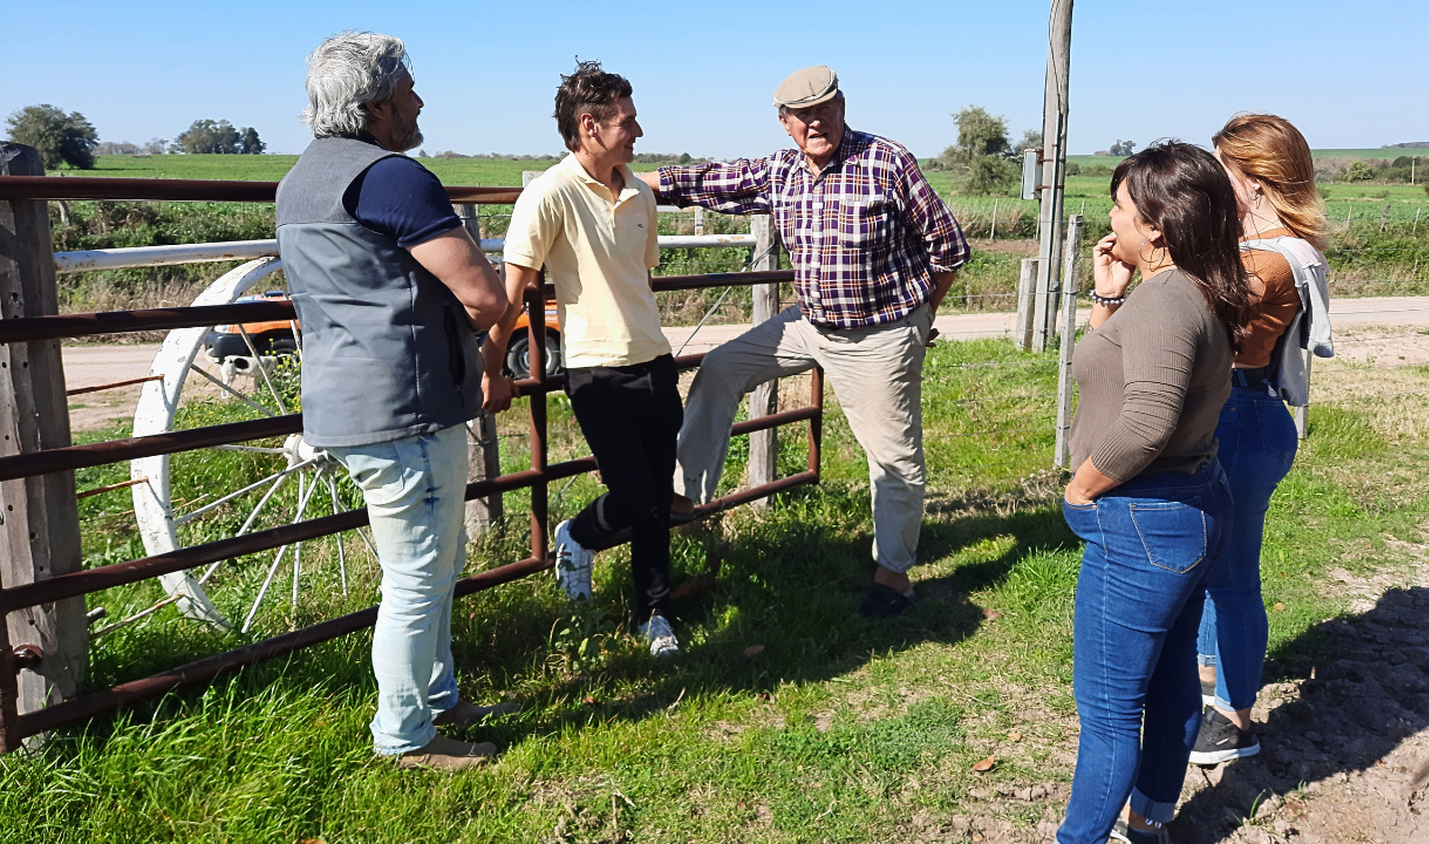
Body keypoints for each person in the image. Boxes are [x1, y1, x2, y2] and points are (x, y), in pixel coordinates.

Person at [639, 65, 969, 618]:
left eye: (826, 109)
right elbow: (713, 179)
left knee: (892, 457)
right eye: (803, 115)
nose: (816, 122)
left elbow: (949, 246)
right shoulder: (782, 170)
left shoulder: (887, 162)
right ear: (784, 122)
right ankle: (684, 493)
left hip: (879, 332)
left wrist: (919, 315)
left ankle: (894, 574)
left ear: (843, 107)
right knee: (720, 368)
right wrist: (628, 180)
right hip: (809, 323)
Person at [276, 31, 515, 771]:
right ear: (378, 105)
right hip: (407, 407)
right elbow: (483, 295)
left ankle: (439, 696)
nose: (419, 100)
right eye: (409, 88)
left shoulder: (299, 182)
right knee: (417, 576)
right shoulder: (393, 178)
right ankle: (405, 736)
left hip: (344, 405)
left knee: (428, 564)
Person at [1057, 141, 1251, 844]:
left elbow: (1144, 420)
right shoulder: (1187, 286)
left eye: (1119, 206)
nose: (1110, 218)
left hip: (1144, 516)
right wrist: (1107, 297)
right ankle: (1151, 822)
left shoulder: (1170, 302)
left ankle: (1077, 840)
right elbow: (1105, 370)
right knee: (1170, 682)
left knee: (1109, 715)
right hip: (1186, 505)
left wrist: (1082, 488)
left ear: (1158, 224)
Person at [488, 61, 684, 658]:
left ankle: (655, 613)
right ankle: (577, 536)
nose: (639, 131)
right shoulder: (549, 192)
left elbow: (637, 278)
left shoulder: (642, 192)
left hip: (654, 361)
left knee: (654, 503)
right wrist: (493, 366)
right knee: (630, 494)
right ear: (590, 125)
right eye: (627, 121)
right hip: (595, 368)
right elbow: (514, 287)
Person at [1191, 114, 1333, 765]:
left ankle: (1237, 718)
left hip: (1242, 418)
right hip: (1239, 415)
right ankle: (1207, 683)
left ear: (1257, 179)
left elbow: (1197, 309)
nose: (1213, 179)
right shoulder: (1255, 246)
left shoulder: (1273, 260)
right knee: (1210, 565)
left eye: (1223, 167)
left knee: (1234, 574)